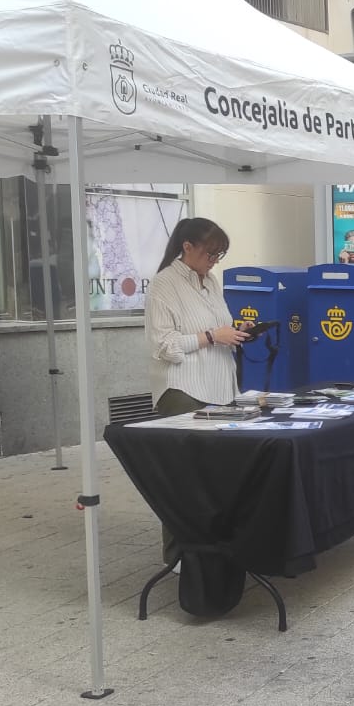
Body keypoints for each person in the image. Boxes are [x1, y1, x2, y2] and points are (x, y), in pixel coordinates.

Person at [144, 217, 250, 565]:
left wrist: (236, 330)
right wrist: (210, 337)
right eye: (209, 253)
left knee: (217, 474)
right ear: (187, 247)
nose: (214, 261)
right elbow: (164, 345)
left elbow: (217, 328)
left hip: (219, 385)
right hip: (183, 387)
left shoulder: (212, 282)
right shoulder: (164, 284)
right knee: (184, 477)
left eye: (219, 255)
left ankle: (214, 547)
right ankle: (177, 556)